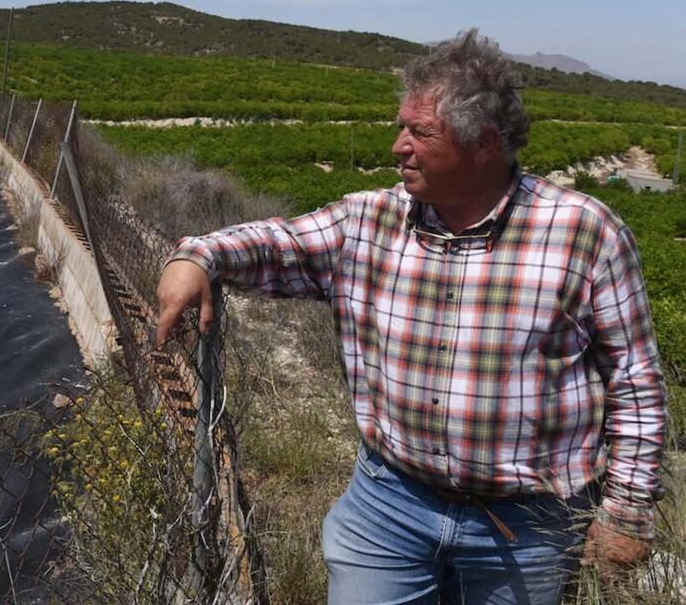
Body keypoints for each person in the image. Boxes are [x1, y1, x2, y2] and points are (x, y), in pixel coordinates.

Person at [155, 30, 665, 604]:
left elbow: (635, 383)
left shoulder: (584, 233)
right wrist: (195, 256)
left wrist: (625, 513)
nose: (399, 146)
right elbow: (276, 243)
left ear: (484, 144)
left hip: (527, 530)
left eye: (420, 132)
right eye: (402, 126)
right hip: (389, 505)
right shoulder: (370, 221)